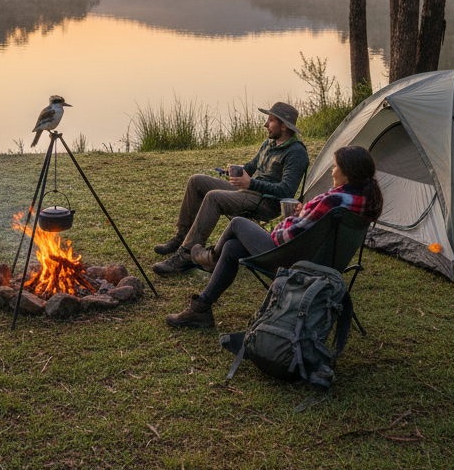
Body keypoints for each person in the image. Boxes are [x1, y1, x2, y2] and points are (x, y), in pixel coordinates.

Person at [164, 144, 383, 328]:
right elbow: (314, 226)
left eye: (335, 167)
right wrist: (304, 212)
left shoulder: (332, 201)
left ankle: (210, 258)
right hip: (325, 262)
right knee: (232, 248)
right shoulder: (366, 199)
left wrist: (285, 222)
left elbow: (284, 237)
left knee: (239, 223)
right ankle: (201, 308)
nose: (332, 171)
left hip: (295, 263)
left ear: (348, 172)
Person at [152, 102, 309, 276]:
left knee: (214, 197)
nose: (265, 124)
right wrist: (235, 171)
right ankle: (181, 238)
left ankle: (185, 257)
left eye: (271, 120)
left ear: (284, 126)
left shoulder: (296, 152)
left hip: (266, 203)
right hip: (249, 193)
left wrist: (251, 184)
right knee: (196, 181)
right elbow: (251, 166)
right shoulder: (269, 144)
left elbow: (286, 190)